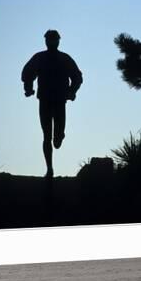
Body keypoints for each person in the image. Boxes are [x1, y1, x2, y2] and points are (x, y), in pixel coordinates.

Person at [21, 30, 83, 178]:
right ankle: (49, 168)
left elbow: (77, 77)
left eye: (54, 39)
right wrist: (28, 88)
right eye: (49, 39)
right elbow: (27, 73)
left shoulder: (64, 58)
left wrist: (71, 91)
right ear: (46, 41)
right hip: (45, 100)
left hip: (60, 101)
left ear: (58, 41)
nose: (51, 42)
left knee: (57, 137)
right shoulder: (40, 58)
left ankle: (59, 136)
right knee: (46, 136)